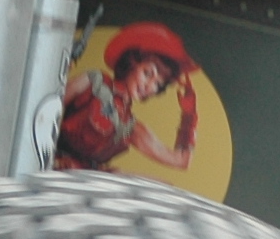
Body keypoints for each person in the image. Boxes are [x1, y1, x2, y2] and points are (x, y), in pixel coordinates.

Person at [57, 22, 199, 173]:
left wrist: (189, 115)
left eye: (158, 84)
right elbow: (47, 107)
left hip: (81, 181)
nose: (149, 86)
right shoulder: (94, 82)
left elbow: (181, 160)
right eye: (147, 73)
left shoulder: (130, 127)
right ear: (132, 64)